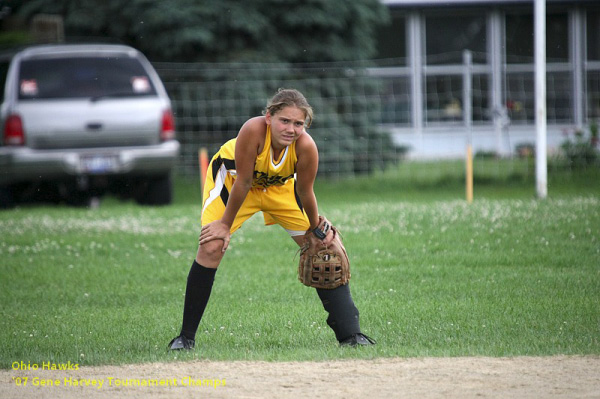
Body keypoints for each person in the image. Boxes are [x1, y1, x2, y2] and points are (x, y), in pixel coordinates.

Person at [168, 88, 374, 350]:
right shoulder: (252, 131)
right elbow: (243, 182)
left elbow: (305, 191)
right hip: (233, 183)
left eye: (298, 123)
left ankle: (351, 336)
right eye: (284, 120)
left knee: (324, 250)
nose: (291, 128)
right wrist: (224, 225)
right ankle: (185, 338)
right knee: (211, 246)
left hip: (279, 189)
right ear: (269, 117)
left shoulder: (306, 147)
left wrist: (316, 230)